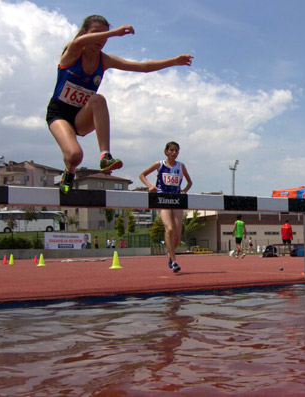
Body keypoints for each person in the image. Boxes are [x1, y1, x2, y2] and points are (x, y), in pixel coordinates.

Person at [47, 15, 193, 194]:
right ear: (85, 33)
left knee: (98, 99)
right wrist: (113, 32)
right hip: (59, 113)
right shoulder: (73, 52)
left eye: (104, 36)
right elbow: (78, 42)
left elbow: (142, 67)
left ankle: (105, 156)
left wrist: (173, 61)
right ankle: (69, 172)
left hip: (81, 116)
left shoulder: (105, 60)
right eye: (97, 34)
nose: (101, 39)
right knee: (75, 156)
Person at [140, 141, 192, 273]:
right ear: (166, 152)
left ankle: (170, 255)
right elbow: (142, 175)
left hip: (176, 201)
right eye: (172, 150)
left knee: (177, 236)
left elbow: (190, 182)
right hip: (162, 199)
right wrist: (150, 186)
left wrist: (184, 190)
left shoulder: (181, 166)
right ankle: (174, 261)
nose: (174, 153)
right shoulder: (160, 164)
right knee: (169, 229)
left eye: (176, 151)